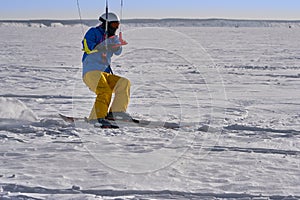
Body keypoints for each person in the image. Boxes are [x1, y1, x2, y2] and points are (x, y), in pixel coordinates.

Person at [81, 12, 131, 128]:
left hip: (105, 72)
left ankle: (116, 113)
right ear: (106, 24)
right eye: (113, 25)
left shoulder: (113, 37)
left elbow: (118, 51)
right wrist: (104, 46)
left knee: (124, 83)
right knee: (105, 91)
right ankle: (95, 119)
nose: (116, 28)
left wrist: (117, 45)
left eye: (117, 25)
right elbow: (87, 47)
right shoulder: (93, 32)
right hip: (91, 71)